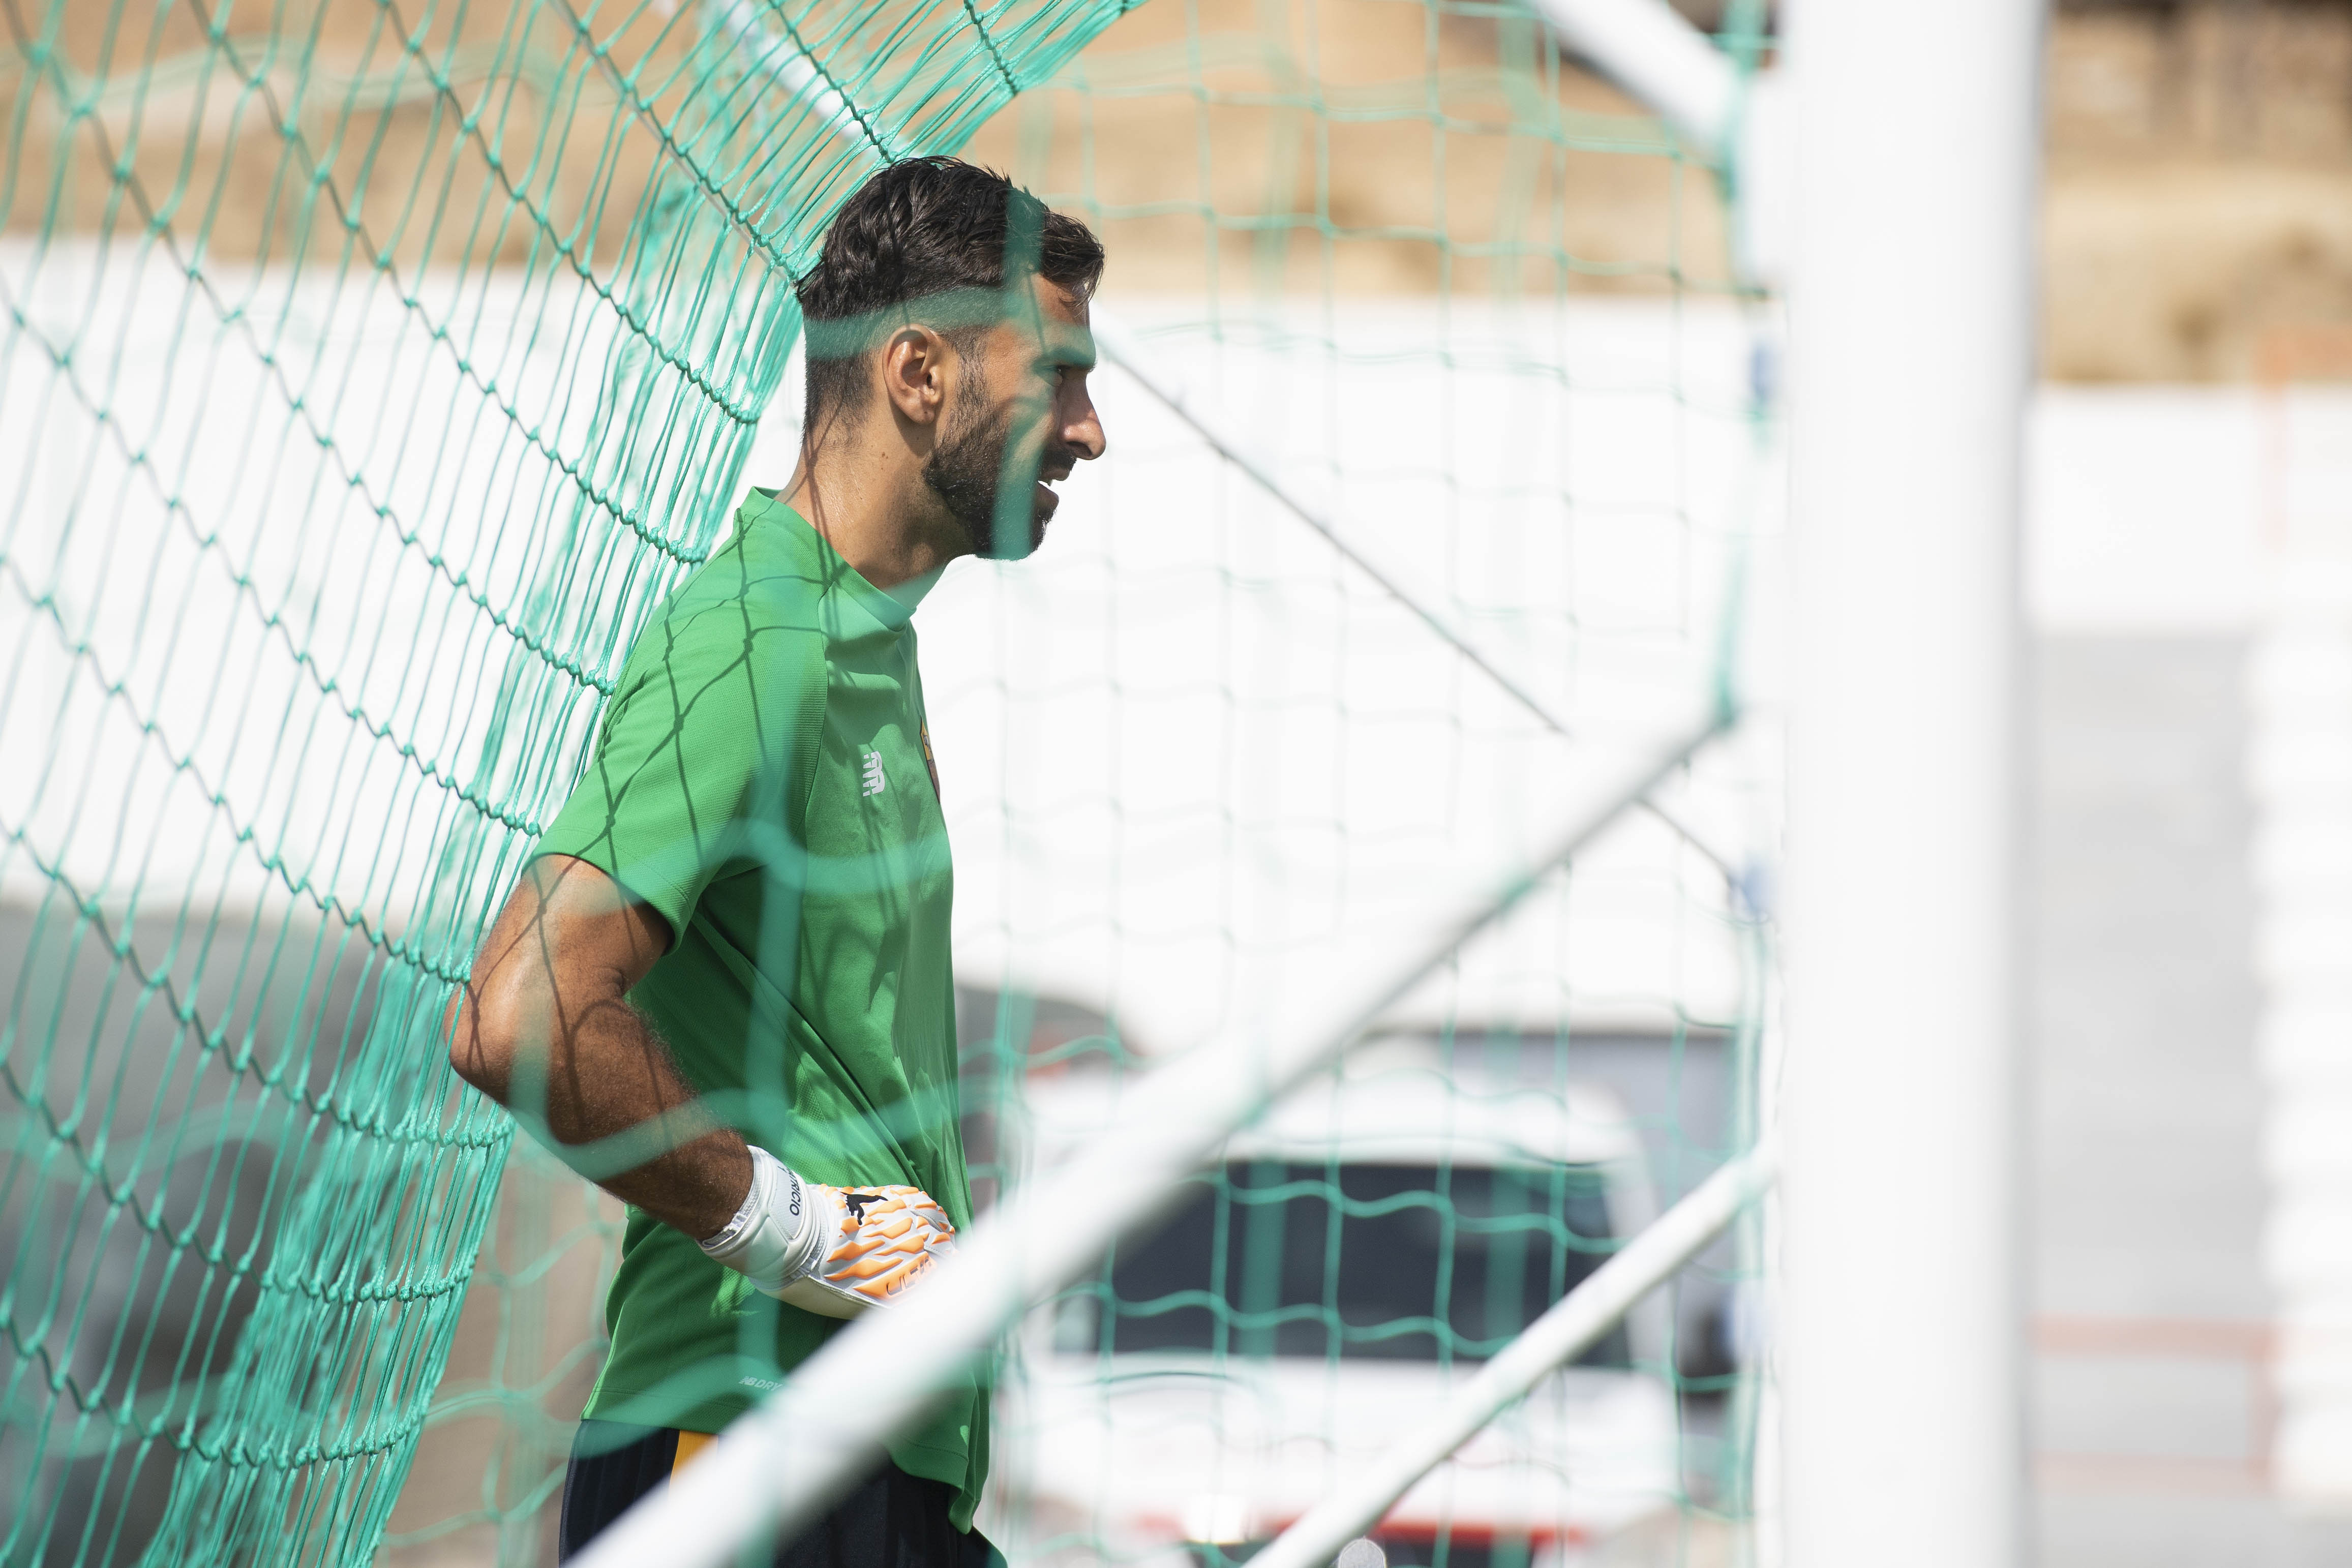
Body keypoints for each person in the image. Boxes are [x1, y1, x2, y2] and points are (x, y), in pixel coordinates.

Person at [445, 156, 1107, 1565]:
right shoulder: (755, 640)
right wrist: (800, 1230)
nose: (1090, 430)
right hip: (741, 1449)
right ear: (918, 372)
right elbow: (521, 1010)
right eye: (1058, 375)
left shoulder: (865, 644)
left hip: (862, 1462)